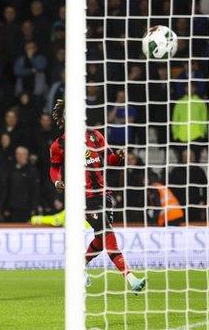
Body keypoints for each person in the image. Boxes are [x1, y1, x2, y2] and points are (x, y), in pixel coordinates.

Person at [48, 99, 146, 292]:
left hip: (104, 194)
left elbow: (109, 159)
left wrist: (118, 156)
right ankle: (130, 277)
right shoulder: (59, 144)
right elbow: (54, 169)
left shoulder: (95, 136)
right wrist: (57, 181)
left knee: (101, 241)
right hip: (83, 197)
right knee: (107, 233)